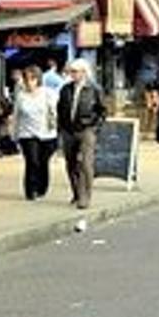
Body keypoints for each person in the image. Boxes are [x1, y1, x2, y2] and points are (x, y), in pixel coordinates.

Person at [55, 58, 104, 227]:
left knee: (85, 163)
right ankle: (76, 192)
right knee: (71, 164)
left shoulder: (94, 90)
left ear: (84, 72)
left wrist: (95, 127)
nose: (73, 75)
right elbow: (60, 109)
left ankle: (85, 197)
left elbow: (102, 110)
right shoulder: (65, 90)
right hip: (68, 130)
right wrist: (61, 127)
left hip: (86, 129)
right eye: (71, 72)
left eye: (76, 72)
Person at [11, 65, 56, 201]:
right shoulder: (21, 96)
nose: (30, 82)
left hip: (46, 134)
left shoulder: (48, 94)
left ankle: (42, 187)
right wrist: (15, 134)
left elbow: (55, 113)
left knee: (43, 162)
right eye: (27, 79)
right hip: (27, 134)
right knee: (32, 161)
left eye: (32, 79)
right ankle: (31, 190)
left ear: (38, 80)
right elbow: (16, 115)